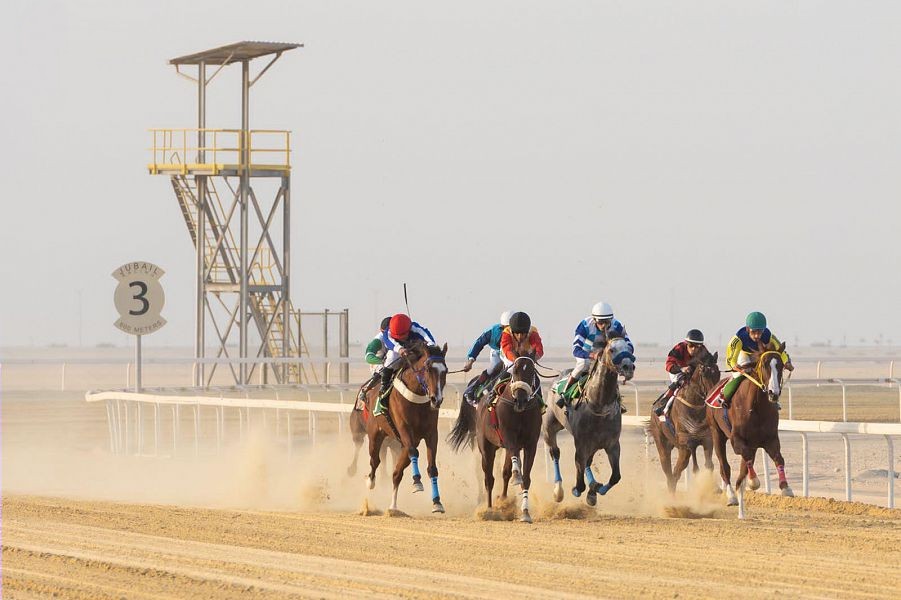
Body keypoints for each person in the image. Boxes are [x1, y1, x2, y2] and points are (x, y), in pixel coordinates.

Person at [720, 311, 793, 409]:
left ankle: (773, 398)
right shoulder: (738, 339)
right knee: (741, 374)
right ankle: (725, 396)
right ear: (747, 329)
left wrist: (786, 362)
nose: (757, 336)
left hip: (759, 357)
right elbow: (730, 358)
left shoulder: (769, 336)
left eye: (760, 332)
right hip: (743, 355)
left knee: (768, 373)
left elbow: (780, 351)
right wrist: (734, 365)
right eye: (753, 332)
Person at [559, 301, 633, 398]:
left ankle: (617, 400)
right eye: (600, 322)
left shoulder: (616, 325)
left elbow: (629, 346)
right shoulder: (585, 325)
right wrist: (592, 355)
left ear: (611, 319)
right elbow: (576, 350)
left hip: (607, 356)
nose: (604, 326)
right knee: (583, 364)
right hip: (587, 353)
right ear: (594, 320)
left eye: (607, 322)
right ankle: (565, 394)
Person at [373, 313, 437, 417]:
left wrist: (428, 347)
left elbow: (429, 339)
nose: (401, 338)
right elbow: (389, 342)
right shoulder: (388, 332)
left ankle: (431, 387)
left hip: (415, 349)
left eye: (403, 336)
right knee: (390, 357)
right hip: (398, 351)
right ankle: (384, 388)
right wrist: (400, 349)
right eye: (399, 337)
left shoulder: (415, 328)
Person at [652, 329, 707, 418]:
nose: (694, 349)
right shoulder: (679, 348)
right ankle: (664, 406)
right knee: (681, 382)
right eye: (691, 345)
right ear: (686, 343)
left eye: (697, 346)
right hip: (677, 371)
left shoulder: (703, 351)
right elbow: (668, 366)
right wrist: (681, 369)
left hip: (694, 372)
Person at [461, 311, 512, 405]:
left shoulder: (520, 332)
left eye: (510, 328)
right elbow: (478, 344)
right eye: (504, 328)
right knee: (494, 367)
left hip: (512, 353)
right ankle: (472, 389)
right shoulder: (492, 331)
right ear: (501, 326)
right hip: (497, 352)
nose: (507, 331)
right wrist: (470, 360)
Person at [356, 316, 392, 407]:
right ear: (381, 330)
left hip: (393, 361)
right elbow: (368, 357)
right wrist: (381, 362)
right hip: (378, 365)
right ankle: (365, 392)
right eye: (386, 333)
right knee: (384, 370)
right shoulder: (378, 340)